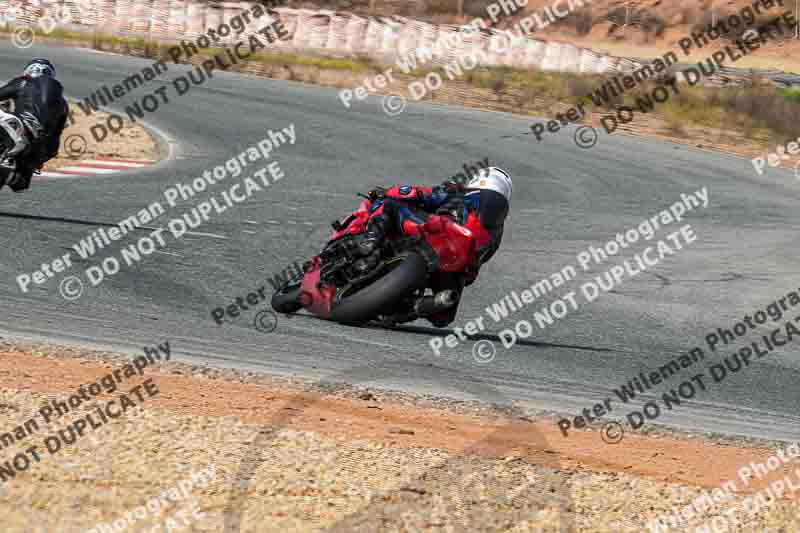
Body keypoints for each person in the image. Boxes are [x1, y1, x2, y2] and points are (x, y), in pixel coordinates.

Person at [363, 166, 512, 327]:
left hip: (430, 233)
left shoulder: (460, 191)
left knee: (389, 204)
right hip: (451, 265)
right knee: (443, 315)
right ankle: (406, 308)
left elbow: (415, 193)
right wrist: (459, 274)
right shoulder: (496, 235)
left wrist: (388, 192)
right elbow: (474, 268)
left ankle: (369, 241)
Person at [0, 58, 69, 192]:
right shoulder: (63, 104)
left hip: (19, 126)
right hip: (37, 146)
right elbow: (55, 141)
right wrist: (40, 159)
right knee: (19, 183)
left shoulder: (23, 82)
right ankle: (12, 171)